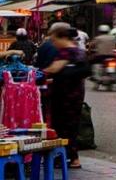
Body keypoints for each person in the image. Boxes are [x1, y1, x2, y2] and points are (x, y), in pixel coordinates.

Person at [38, 26, 89, 167]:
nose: (53, 44)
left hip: (65, 96)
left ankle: (63, 157)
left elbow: (54, 69)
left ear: (63, 38)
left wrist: (36, 73)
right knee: (71, 126)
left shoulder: (66, 52)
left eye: (55, 40)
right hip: (76, 94)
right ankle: (73, 158)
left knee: (61, 126)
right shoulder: (78, 50)